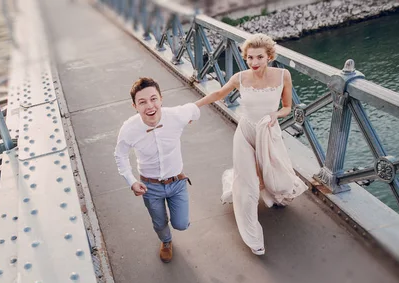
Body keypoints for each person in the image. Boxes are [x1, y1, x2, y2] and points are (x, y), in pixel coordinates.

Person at [196, 33, 307, 255]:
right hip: (245, 132)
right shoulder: (240, 78)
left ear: (269, 57)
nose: (254, 62)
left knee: (274, 176)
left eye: (259, 57)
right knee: (246, 184)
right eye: (249, 58)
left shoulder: (283, 75)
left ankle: (274, 195)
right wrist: (192, 107)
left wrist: (277, 114)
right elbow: (218, 93)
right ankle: (252, 236)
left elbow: (287, 106)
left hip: (268, 132)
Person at [114, 77, 201, 263]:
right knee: (159, 222)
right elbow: (120, 155)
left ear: (161, 99)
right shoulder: (129, 128)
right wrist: (132, 181)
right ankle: (166, 242)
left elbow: (194, 110)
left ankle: (177, 223)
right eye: (142, 102)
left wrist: (191, 119)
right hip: (150, 186)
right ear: (134, 106)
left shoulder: (176, 115)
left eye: (154, 99)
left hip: (177, 182)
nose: (149, 106)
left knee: (181, 224)